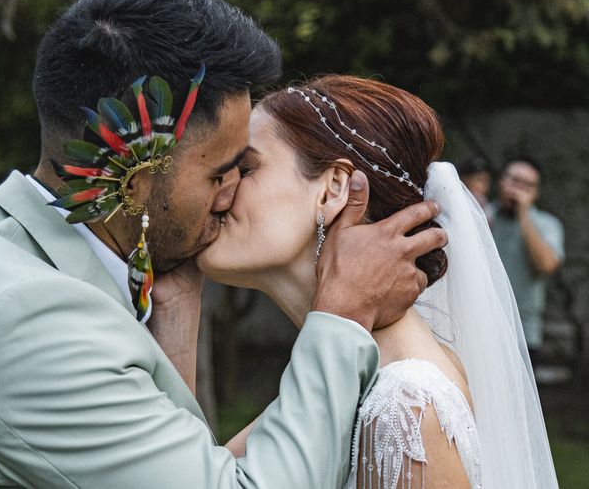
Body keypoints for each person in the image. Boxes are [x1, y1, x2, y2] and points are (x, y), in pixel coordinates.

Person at [0, 0, 445, 488]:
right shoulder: (32, 321)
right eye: (221, 170)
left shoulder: (14, 243)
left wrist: (174, 312)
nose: (229, 192)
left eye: (244, 169)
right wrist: (342, 316)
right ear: (137, 180)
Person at [198, 76, 559, 488]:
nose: (222, 188)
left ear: (334, 189)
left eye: (245, 168)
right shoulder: (340, 377)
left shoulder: (406, 407)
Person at [491, 157, 564, 360]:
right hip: (480, 329)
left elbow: (546, 265)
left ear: (536, 192)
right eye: (514, 180)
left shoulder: (547, 224)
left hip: (522, 333)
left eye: (527, 185)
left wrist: (524, 214)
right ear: (501, 181)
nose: (518, 189)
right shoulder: (484, 215)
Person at [457, 156, 495, 222]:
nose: (484, 186)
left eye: (487, 181)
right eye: (479, 180)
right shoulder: (455, 203)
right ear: (464, 180)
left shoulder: (489, 210)